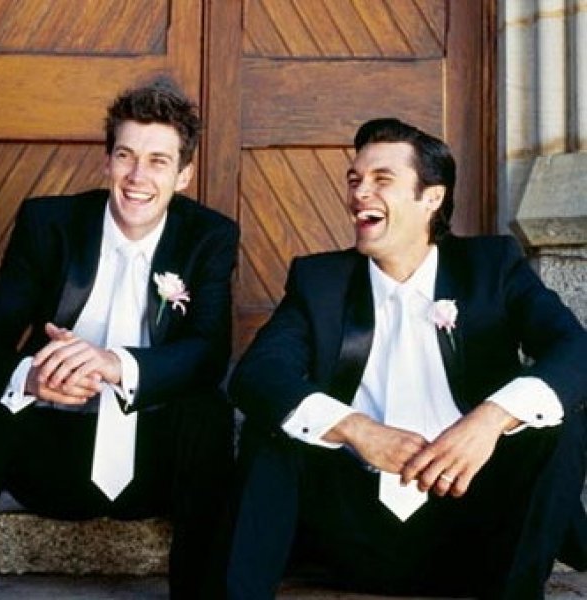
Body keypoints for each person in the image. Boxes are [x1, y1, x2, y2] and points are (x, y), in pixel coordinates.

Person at [226, 118, 587, 599]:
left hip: (471, 528)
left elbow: (574, 349)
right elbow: (257, 374)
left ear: (431, 197)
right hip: (350, 532)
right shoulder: (321, 281)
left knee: (558, 422)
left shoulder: (491, 266)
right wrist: (358, 430)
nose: (359, 193)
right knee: (276, 421)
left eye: (382, 179)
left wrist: (489, 421)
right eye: (355, 179)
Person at [0, 77, 239, 599]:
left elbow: (209, 352)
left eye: (158, 161)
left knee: (209, 415)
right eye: (125, 156)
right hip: (53, 445)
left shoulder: (209, 236)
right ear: (107, 162)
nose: (137, 176)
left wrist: (114, 363)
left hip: (154, 458)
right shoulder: (48, 223)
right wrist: (30, 378)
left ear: (184, 175)